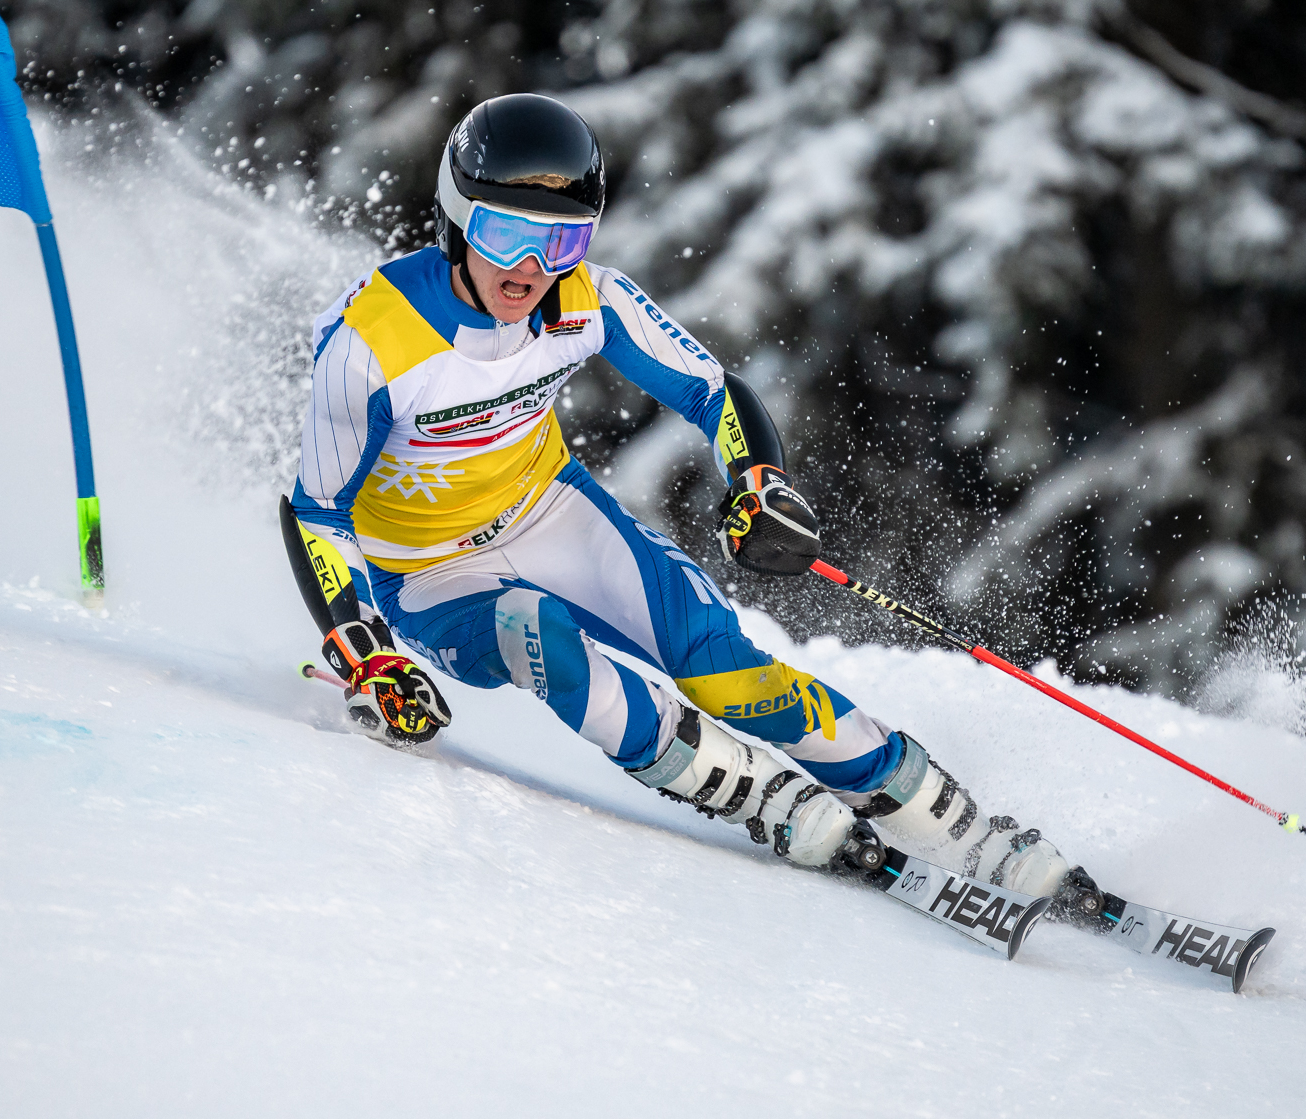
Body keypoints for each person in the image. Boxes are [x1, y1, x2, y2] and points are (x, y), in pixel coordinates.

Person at [284, 93, 1074, 897]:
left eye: (562, 239)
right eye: (505, 233)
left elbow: (711, 390)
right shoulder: (371, 343)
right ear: (457, 220)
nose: (530, 268)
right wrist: (364, 650)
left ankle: (952, 823)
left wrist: (758, 481)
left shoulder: (586, 298)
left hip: (552, 514)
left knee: (720, 665)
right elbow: (316, 512)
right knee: (540, 634)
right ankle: (753, 792)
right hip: (429, 573)